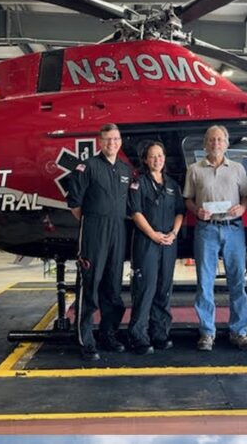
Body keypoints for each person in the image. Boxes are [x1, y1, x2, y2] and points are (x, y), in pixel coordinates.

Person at [184, 125, 247, 352]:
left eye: (220, 140)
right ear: (205, 143)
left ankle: (239, 332)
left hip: (233, 229)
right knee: (205, 283)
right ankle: (207, 332)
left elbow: (246, 196)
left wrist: (242, 209)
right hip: (206, 229)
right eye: (211, 140)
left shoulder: (237, 169)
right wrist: (197, 211)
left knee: (237, 282)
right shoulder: (194, 169)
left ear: (226, 143)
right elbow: (188, 199)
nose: (216, 144)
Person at [66, 123, 132, 361]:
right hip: (94, 231)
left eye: (115, 139)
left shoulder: (125, 170)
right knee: (90, 285)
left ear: (120, 141)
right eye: (107, 139)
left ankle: (108, 334)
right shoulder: (88, 167)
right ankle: (86, 339)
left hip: (118, 232)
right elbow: (74, 204)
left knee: (113, 287)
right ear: (100, 142)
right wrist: (92, 221)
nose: (111, 143)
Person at [127, 142, 185, 355]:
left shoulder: (172, 185)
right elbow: (136, 212)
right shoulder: (138, 183)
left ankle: (160, 333)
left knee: (164, 288)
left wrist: (173, 233)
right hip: (147, 242)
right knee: (145, 289)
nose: (157, 160)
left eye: (160, 155)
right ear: (145, 160)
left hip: (168, 243)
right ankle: (138, 336)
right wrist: (153, 235)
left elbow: (180, 211)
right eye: (152, 156)